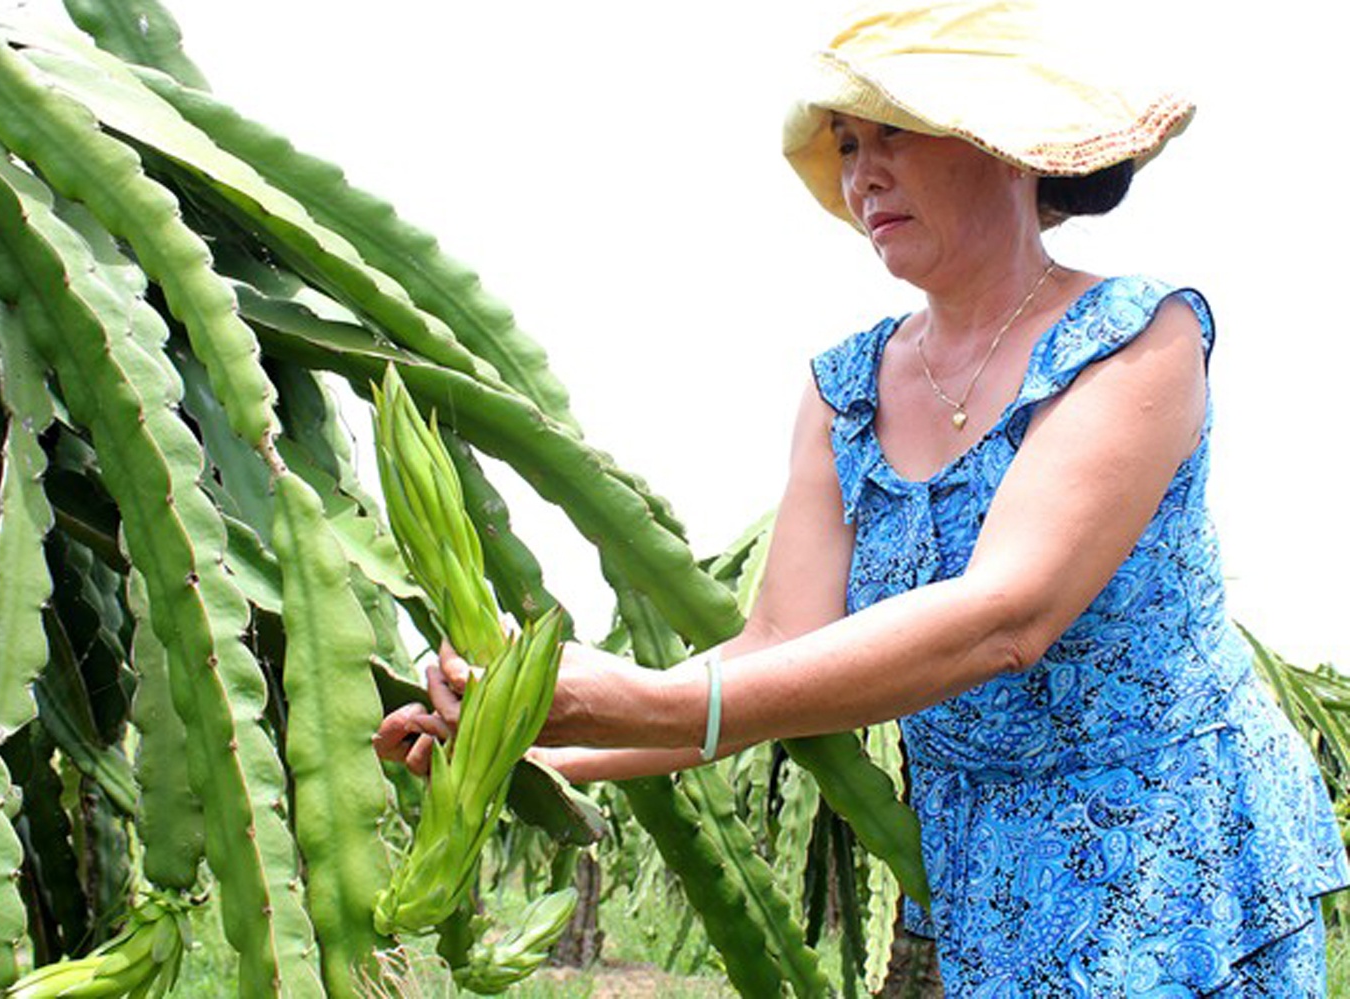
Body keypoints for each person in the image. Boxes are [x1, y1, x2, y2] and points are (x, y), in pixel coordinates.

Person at [375, 1, 1349, 993]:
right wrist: (522, 735)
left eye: (895, 133)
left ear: (1006, 143)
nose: (863, 173)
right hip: (987, 881)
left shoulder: (1136, 338)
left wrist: (640, 699)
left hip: (1178, 865)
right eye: (848, 144)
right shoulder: (845, 392)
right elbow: (773, 651)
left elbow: (1007, 614)